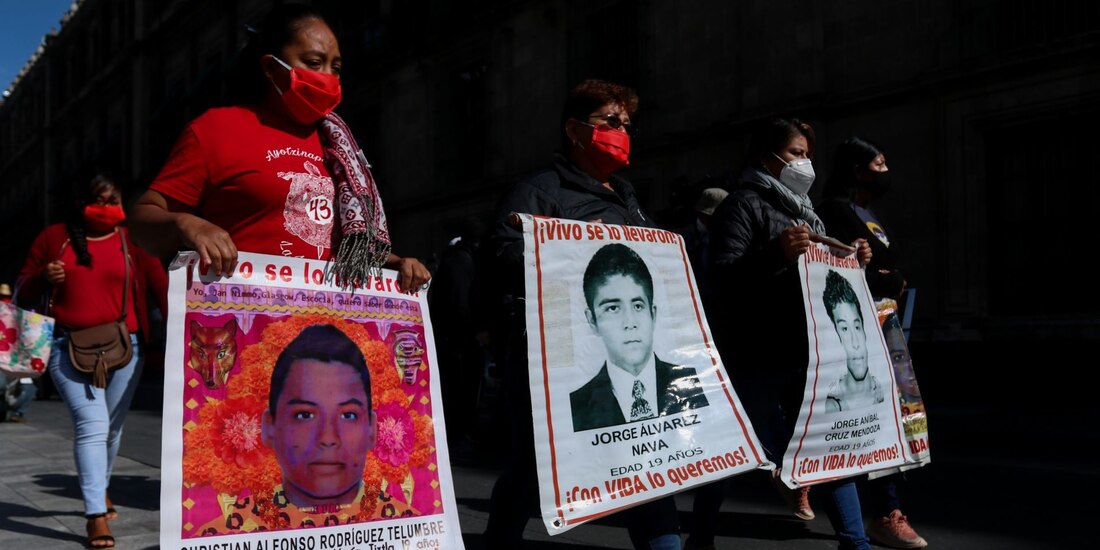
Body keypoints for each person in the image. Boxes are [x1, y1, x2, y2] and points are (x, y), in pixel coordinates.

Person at [485, 79, 682, 550]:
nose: (622, 132)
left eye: (627, 125)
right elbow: (500, 255)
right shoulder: (539, 189)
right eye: (610, 122)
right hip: (556, 360)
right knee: (535, 467)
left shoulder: (627, 198)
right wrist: (570, 243)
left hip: (629, 359)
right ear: (575, 129)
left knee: (647, 463)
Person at [130, 3, 430, 293]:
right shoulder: (215, 129)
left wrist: (399, 264)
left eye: (335, 67)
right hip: (245, 322)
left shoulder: (341, 147)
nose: (327, 77)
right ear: (271, 67)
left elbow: (344, 245)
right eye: (314, 63)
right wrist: (186, 224)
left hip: (332, 329)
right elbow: (143, 221)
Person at [690, 118, 873, 550]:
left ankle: (856, 541)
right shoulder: (742, 205)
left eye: (808, 154)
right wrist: (776, 253)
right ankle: (699, 538)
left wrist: (855, 260)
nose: (805, 162)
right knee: (732, 450)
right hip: (756, 352)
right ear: (767, 156)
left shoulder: (809, 214)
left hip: (806, 353)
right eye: (796, 153)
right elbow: (721, 277)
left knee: (829, 445)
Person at [17, 174, 168, 548]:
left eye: (113, 199)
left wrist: (182, 335)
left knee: (112, 430)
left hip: (125, 348)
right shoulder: (54, 238)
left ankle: (100, 488)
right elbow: (21, 288)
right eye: (99, 200)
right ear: (81, 202)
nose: (108, 207)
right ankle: (94, 515)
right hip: (69, 348)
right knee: (93, 426)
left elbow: (161, 288)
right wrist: (41, 276)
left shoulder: (133, 239)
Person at [818, 138, 927, 549]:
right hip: (859, 326)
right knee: (865, 417)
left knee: (897, 417)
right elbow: (842, 269)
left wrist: (885, 275)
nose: (886, 170)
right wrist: (885, 278)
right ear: (857, 170)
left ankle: (887, 509)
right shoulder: (834, 211)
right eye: (878, 163)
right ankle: (884, 511)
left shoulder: (866, 212)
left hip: (887, 325)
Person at [570, 243, 708, 431]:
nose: (630, 323)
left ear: (653, 314)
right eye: (613, 308)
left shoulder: (696, 382)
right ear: (592, 321)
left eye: (637, 306)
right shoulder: (576, 406)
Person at [263, 324, 377, 508]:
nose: (328, 438)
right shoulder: (231, 531)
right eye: (304, 415)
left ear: (372, 430)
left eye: (348, 415)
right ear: (269, 427)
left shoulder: (409, 526)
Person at [823, 270, 884, 413]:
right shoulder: (833, 405)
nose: (855, 343)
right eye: (844, 329)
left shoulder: (884, 389)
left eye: (857, 327)